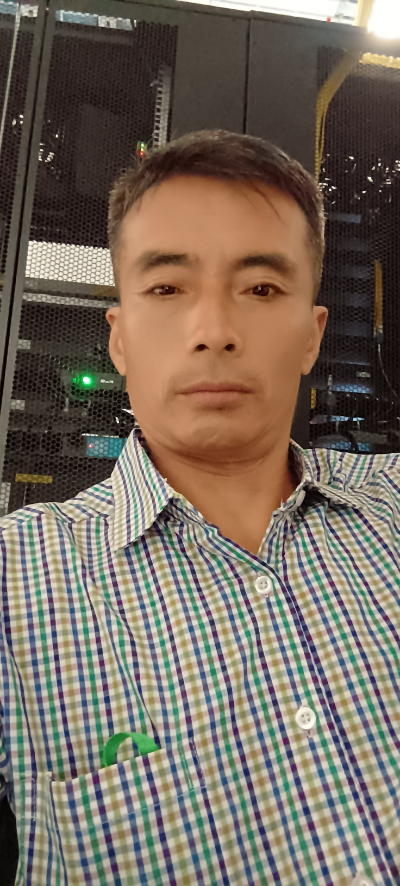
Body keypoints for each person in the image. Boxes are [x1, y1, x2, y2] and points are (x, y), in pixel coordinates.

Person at [0, 129, 399, 886]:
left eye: (261, 289)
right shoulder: (15, 582)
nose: (214, 333)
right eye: (166, 289)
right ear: (119, 339)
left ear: (313, 336)